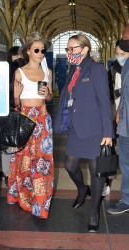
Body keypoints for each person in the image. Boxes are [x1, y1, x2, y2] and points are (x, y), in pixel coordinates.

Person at [54, 34, 113, 232]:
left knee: (97, 172)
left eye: (73, 49)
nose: (70, 53)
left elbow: (105, 102)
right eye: (68, 49)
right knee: (70, 166)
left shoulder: (96, 69)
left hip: (96, 129)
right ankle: (81, 188)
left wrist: (108, 133)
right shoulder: (73, 70)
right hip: (75, 127)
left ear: (85, 49)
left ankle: (93, 212)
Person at [7, 32, 54, 219]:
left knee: (44, 163)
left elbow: (49, 98)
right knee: (23, 160)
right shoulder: (19, 72)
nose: (40, 53)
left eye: (43, 50)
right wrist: (17, 95)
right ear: (28, 51)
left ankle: (41, 204)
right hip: (25, 118)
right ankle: (22, 197)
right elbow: (15, 102)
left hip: (43, 119)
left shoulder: (47, 72)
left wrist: (48, 94)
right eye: (37, 50)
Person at [107, 39, 129, 214]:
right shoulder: (122, 67)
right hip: (124, 122)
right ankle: (127, 198)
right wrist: (119, 111)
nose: (119, 57)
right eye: (118, 53)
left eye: (123, 53)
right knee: (125, 162)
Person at [0, 46, 25, 186]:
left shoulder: (13, 68)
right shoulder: (13, 68)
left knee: (8, 142)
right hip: (12, 108)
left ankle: (6, 171)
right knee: (10, 142)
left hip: (9, 108)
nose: (20, 58)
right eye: (18, 55)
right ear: (13, 56)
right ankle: (8, 171)